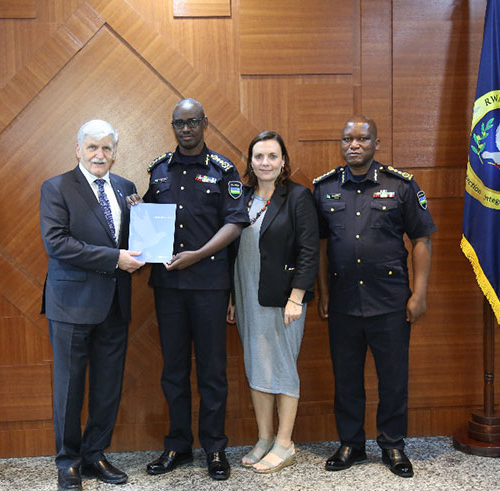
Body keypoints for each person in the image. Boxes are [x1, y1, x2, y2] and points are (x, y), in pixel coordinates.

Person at [313, 116, 435, 479]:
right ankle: (351, 443)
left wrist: (420, 293)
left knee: (393, 378)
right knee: (346, 377)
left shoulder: (402, 186)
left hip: (391, 302)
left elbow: (422, 240)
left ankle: (393, 445)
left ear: (376, 144)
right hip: (344, 302)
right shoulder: (325, 188)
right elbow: (320, 246)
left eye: (362, 139)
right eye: (347, 138)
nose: (354, 145)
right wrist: (323, 292)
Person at [136, 98, 249, 481]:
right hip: (168, 286)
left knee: (213, 372)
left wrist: (198, 254)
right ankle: (178, 445)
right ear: (173, 127)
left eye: (192, 122)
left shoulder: (223, 170)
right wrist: (140, 214)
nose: (186, 129)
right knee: (174, 370)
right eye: (179, 124)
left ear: (205, 123)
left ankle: (215, 448)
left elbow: (235, 224)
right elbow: (152, 223)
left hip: (210, 286)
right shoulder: (160, 171)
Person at [40, 119, 145, 490]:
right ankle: (67, 462)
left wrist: (151, 229)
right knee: (69, 388)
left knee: (107, 386)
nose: (100, 154)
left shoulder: (126, 188)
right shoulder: (56, 188)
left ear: (115, 153)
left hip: (115, 305)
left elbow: (134, 240)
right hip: (71, 306)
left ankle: (95, 454)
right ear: (78, 149)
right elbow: (58, 244)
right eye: (92, 147)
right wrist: (115, 258)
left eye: (107, 148)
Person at [226, 131, 319, 473]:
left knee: (281, 365)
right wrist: (234, 297)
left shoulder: (298, 197)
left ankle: (284, 442)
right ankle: (264, 438)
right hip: (247, 291)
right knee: (256, 363)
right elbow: (235, 249)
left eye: (272, 156)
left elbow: (310, 252)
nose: (265, 163)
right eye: (259, 157)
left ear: (283, 162)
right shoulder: (244, 197)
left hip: (283, 298)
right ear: (250, 162)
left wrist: (297, 297)